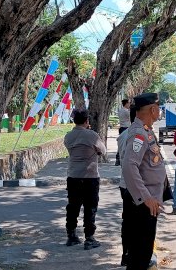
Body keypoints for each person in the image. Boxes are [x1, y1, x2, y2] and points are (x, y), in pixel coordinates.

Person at [121, 93, 167, 270]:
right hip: (143, 204)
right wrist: (145, 198)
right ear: (153, 109)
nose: (160, 112)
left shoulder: (146, 130)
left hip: (147, 201)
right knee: (140, 253)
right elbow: (129, 167)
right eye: (159, 108)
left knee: (143, 252)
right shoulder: (139, 134)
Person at [63, 108, 107, 250]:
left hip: (73, 175)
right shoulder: (92, 135)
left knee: (73, 206)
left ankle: (71, 235)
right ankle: (89, 238)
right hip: (90, 176)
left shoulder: (68, 136)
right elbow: (103, 151)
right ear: (87, 121)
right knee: (90, 207)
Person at [116, 99, 132, 166]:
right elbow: (131, 117)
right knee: (125, 145)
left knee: (121, 144)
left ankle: (118, 159)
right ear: (126, 103)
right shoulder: (126, 111)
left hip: (121, 128)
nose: (129, 104)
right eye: (129, 103)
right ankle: (120, 158)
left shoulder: (120, 110)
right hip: (126, 128)